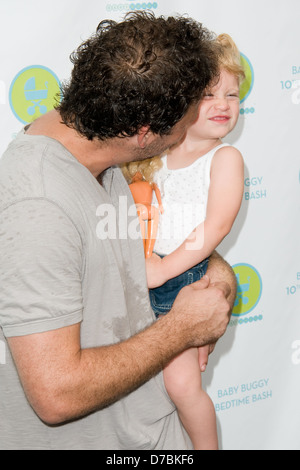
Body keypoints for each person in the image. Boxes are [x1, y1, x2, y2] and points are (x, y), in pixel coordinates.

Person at [0, 12, 235, 450]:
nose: (194, 127)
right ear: (146, 132)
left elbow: (149, 242)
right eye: (189, 118)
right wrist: (181, 329)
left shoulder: (102, 150)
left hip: (156, 430)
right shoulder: (38, 205)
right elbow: (56, 393)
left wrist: (218, 278)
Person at [143, 33, 245, 449]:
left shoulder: (226, 159)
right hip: (142, 276)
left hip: (182, 282)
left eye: (232, 95)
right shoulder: (153, 156)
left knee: (182, 386)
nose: (223, 104)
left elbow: (216, 226)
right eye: (209, 94)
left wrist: (165, 269)